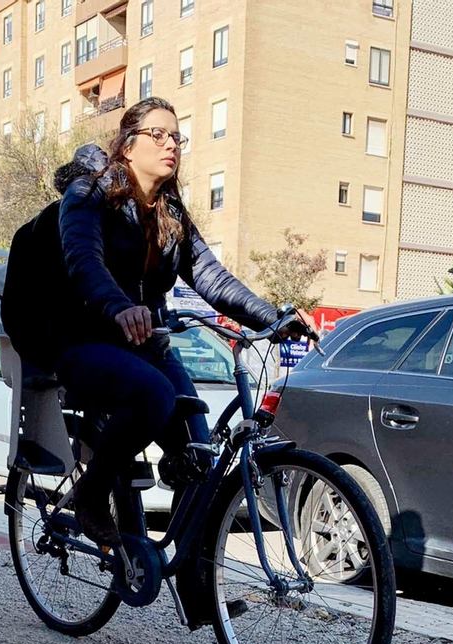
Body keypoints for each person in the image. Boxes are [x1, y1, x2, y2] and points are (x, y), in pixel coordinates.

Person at [55, 96, 311, 542]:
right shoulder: (91, 190)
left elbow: (212, 278)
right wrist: (118, 306)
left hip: (147, 345)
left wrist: (273, 317)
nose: (170, 143)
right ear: (127, 145)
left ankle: (197, 600)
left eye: (176, 136)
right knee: (154, 395)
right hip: (85, 340)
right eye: (157, 134)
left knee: (199, 459)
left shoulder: (170, 213)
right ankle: (92, 496)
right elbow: (83, 258)